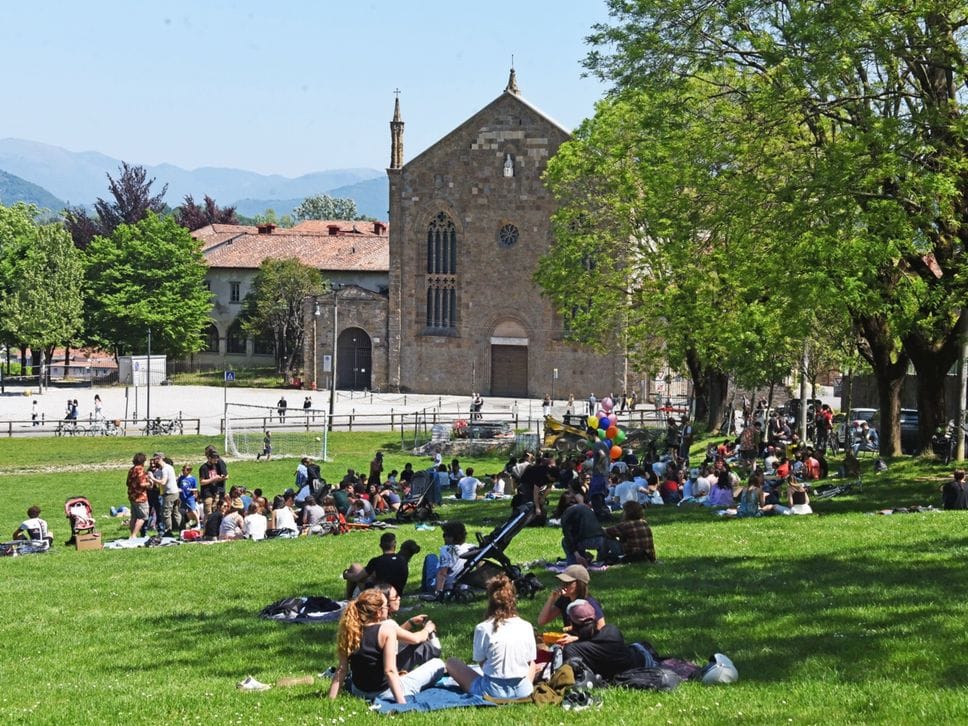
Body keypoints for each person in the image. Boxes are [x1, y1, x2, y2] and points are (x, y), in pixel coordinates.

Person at [328, 589, 445, 704]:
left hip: (358, 691)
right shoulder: (386, 630)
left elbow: (341, 670)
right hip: (385, 692)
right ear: (378, 612)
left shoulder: (349, 631)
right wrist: (402, 703)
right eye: (385, 607)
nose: (388, 609)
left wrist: (331, 700)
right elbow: (389, 671)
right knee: (438, 664)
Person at [446, 574, 537, 699]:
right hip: (522, 690)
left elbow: (481, 661)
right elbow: (529, 660)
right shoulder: (526, 626)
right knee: (532, 662)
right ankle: (526, 687)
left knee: (451, 662)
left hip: (491, 691)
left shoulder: (483, 627)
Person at [561, 599, 652, 679]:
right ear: (595, 619)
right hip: (642, 663)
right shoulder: (612, 631)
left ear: (571, 623)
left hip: (623, 675)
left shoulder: (572, 649)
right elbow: (593, 641)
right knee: (641, 645)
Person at [536, 564, 605, 644]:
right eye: (562, 582)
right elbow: (542, 621)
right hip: (568, 643)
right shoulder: (564, 600)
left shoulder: (589, 603)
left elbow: (602, 631)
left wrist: (576, 638)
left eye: (567, 583)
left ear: (579, 584)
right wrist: (552, 598)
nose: (563, 585)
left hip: (585, 644)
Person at [560, 494, 612, 566]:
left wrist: (576, 555)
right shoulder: (586, 508)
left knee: (565, 541)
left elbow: (568, 537)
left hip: (588, 540)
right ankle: (587, 559)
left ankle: (573, 564)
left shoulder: (567, 514)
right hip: (601, 540)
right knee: (577, 540)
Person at [430, 521, 473, 598]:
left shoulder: (446, 550)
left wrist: (438, 592)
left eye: (444, 535)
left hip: (447, 586)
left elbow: (442, 573)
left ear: (451, 538)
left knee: (431, 558)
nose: (443, 538)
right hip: (463, 584)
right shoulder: (471, 548)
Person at [149, 452, 179, 536]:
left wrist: (152, 478)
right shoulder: (170, 467)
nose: (154, 461)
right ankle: (181, 529)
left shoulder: (165, 469)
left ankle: (168, 532)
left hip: (169, 494)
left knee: (166, 513)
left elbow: (163, 482)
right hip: (175, 492)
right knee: (176, 513)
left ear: (159, 459)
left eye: (155, 459)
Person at [126, 452, 152, 538]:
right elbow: (141, 484)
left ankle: (132, 534)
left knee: (134, 516)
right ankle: (134, 535)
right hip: (140, 497)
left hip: (132, 496)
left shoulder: (131, 469)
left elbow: (127, 483)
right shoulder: (140, 469)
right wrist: (150, 483)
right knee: (143, 517)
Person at [199, 447, 228, 517]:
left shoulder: (215, 466)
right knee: (208, 513)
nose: (216, 459)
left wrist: (220, 478)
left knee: (215, 512)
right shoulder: (203, 467)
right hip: (207, 493)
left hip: (215, 492)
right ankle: (207, 527)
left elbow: (224, 476)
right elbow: (202, 481)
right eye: (214, 458)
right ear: (209, 458)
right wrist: (214, 478)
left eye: (217, 458)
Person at [177, 464, 200, 529]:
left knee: (193, 510)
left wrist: (190, 489)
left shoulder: (192, 479)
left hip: (190, 497)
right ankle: (191, 524)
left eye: (185, 470)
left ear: (189, 471)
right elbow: (178, 486)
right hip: (182, 497)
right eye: (183, 470)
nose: (183, 471)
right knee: (187, 512)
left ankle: (198, 524)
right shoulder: (181, 478)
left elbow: (196, 488)